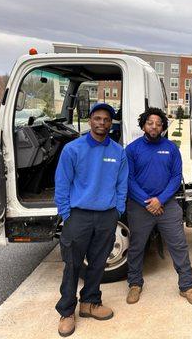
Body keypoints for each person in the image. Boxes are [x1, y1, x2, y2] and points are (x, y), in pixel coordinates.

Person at [54, 103, 128, 337]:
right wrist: (66, 214)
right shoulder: (72, 149)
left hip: (107, 216)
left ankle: (90, 303)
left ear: (111, 123)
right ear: (90, 121)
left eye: (106, 119)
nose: (102, 123)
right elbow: (63, 183)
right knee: (73, 265)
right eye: (97, 118)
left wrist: (117, 210)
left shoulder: (118, 152)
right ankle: (67, 311)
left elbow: (121, 184)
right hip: (79, 216)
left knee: (98, 264)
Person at [125, 107, 192, 306]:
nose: (154, 126)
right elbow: (129, 179)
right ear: (143, 125)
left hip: (167, 205)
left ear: (163, 127)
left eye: (159, 124)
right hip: (139, 206)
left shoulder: (171, 148)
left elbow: (176, 177)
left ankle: (187, 286)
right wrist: (148, 202)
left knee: (179, 246)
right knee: (136, 247)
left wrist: (160, 200)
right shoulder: (132, 149)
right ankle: (134, 284)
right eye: (150, 123)